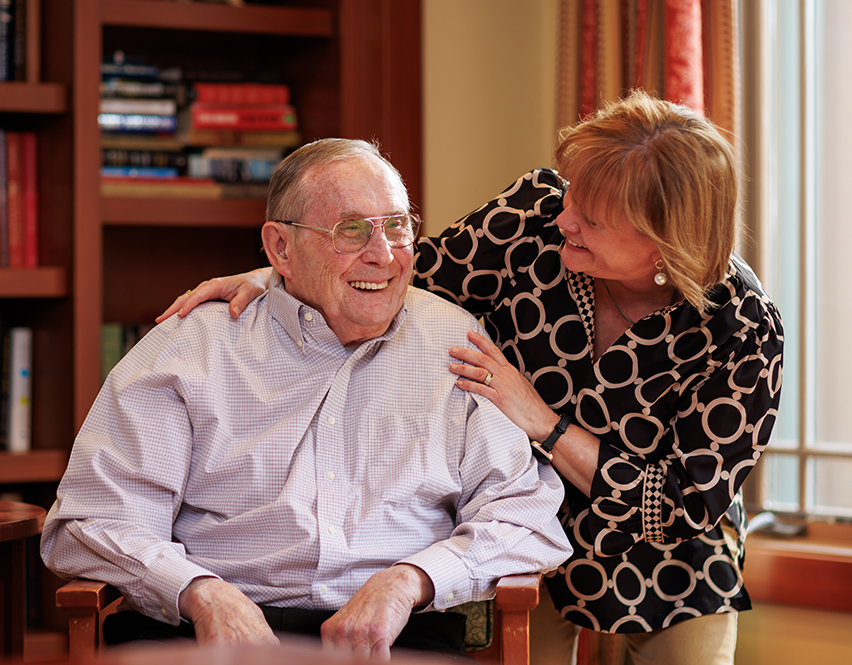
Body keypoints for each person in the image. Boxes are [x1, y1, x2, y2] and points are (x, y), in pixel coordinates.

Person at [160, 90, 784, 665]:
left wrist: (542, 420)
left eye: (591, 219)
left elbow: (681, 504)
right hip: (519, 536)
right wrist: (277, 273)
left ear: (661, 246)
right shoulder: (530, 222)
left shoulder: (742, 327)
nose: (565, 218)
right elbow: (396, 273)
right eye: (572, 195)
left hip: (670, 560)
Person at [41, 138, 573, 661]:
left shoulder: (456, 345)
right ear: (280, 249)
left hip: (393, 637)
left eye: (397, 226)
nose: (383, 254)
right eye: (352, 231)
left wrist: (411, 581)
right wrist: (199, 592)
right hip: (204, 633)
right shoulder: (192, 347)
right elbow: (93, 520)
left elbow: (524, 517)